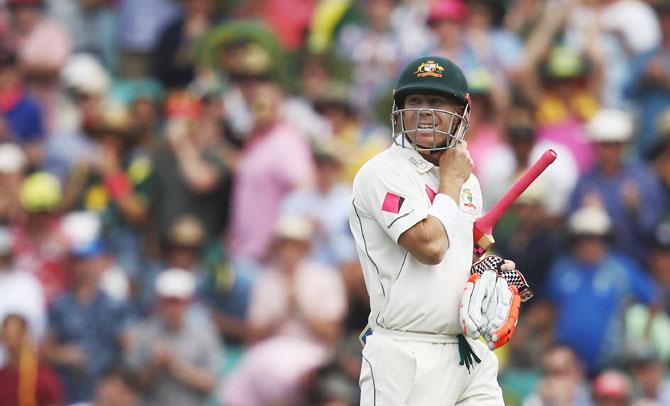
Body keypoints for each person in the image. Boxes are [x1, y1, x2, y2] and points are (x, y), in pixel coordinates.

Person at [348, 55, 524, 404]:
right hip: (404, 353)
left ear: (463, 111)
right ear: (399, 108)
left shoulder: (466, 179)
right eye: (415, 101)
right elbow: (430, 247)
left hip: (468, 350)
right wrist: (451, 182)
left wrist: (489, 272)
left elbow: (458, 256)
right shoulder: (382, 172)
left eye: (437, 102)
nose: (425, 112)